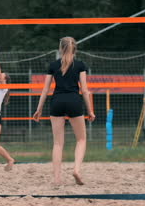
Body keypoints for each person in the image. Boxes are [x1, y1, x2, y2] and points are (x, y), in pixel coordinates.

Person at [33, 36, 96, 185]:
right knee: (81, 139)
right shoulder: (80, 65)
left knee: (57, 144)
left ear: (61, 49)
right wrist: (90, 111)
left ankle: (57, 179)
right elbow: (85, 91)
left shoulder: (53, 65)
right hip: (74, 101)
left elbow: (45, 90)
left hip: (57, 102)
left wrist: (39, 109)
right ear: (75, 49)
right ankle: (76, 170)